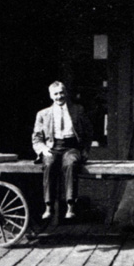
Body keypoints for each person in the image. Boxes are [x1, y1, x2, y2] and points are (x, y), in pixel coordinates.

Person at [31, 80, 93, 220]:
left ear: (66, 93)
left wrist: (85, 150)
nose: (59, 96)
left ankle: (70, 205)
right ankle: (48, 206)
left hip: (71, 148)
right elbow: (37, 138)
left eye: (61, 93)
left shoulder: (78, 110)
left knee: (71, 163)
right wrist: (43, 149)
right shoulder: (43, 114)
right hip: (52, 148)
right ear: (50, 96)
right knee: (49, 164)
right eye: (56, 94)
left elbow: (88, 132)